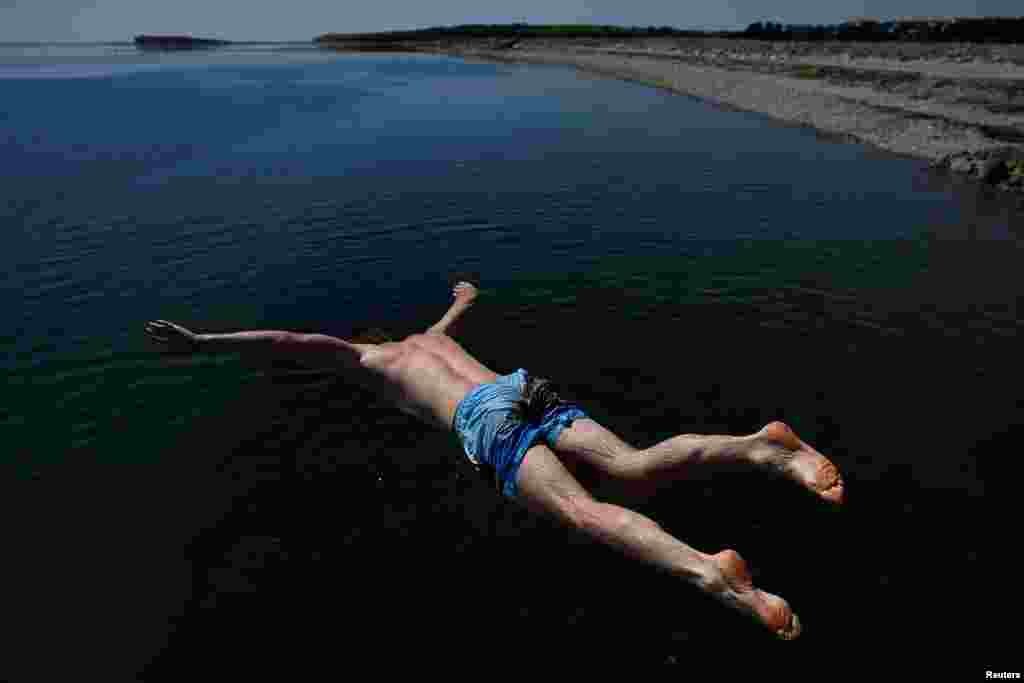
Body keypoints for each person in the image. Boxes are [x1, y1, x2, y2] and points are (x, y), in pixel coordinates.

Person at [144, 280, 844, 640]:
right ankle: (763, 447)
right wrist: (461, 297)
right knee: (633, 463)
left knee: (586, 510)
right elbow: (458, 306)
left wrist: (203, 341)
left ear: (364, 343)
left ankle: (708, 572)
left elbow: (289, 339)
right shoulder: (429, 336)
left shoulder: (370, 358)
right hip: (515, 383)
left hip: (484, 419)